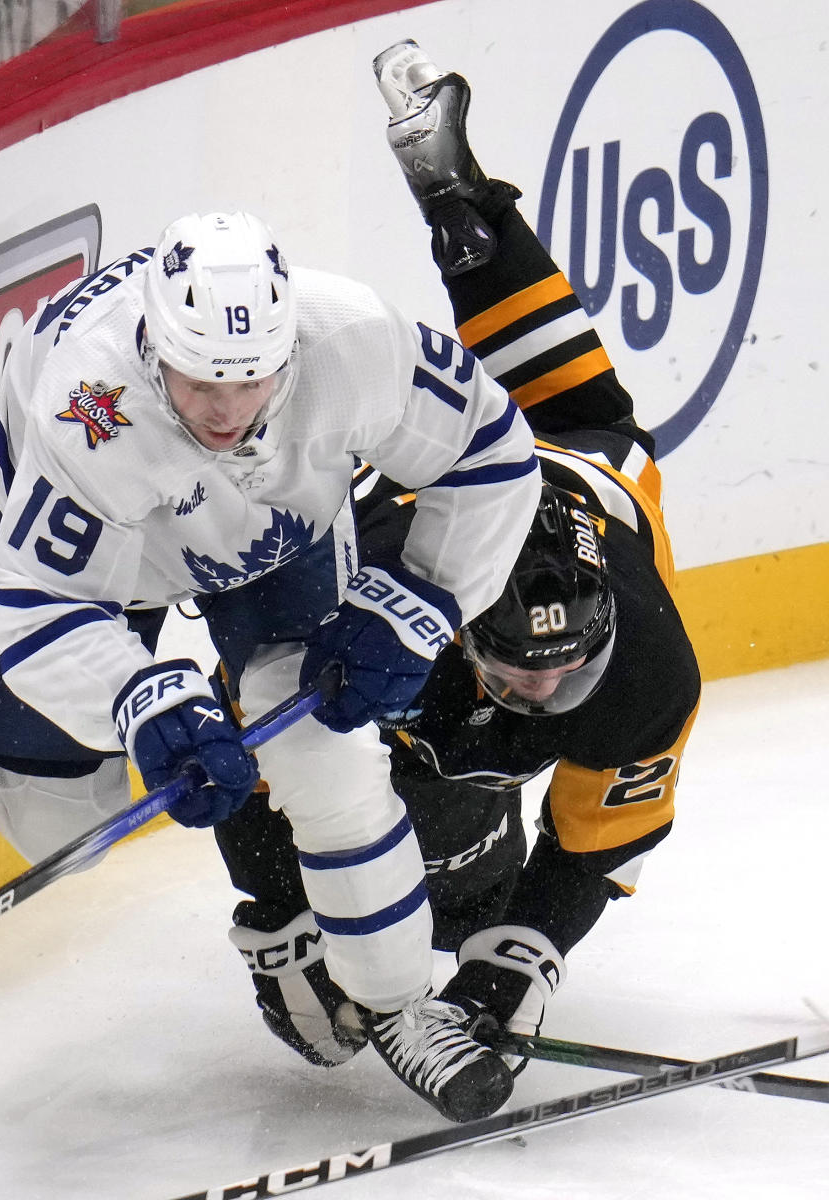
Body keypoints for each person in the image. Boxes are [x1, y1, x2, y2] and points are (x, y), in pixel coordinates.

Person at [0, 148, 543, 1119]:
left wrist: (421, 601)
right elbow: (37, 603)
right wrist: (141, 700)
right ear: (155, 349)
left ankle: (402, 1003)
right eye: (201, 383)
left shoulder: (350, 337)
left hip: (270, 536)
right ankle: (283, 907)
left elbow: (492, 453)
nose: (227, 410)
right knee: (49, 824)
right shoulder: (90, 407)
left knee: (327, 757)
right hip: (106, 554)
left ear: (289, 346)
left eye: (252, 381)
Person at [213, 39, 702, 1105]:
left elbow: (599, 836)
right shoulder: (367, 594)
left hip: (571, 461)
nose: (546, 694)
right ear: (460, 625)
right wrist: (280, 915)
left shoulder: (650, 671)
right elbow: (248, 745)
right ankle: (459, 213)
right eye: (520, 673)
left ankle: (461, 204)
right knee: (398, 842)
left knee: (577, 408)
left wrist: (508, 971)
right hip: (406, 503)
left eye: (567, 670)